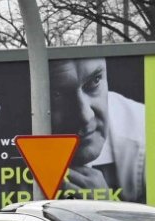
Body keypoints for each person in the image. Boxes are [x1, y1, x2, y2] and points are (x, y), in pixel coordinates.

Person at [48, 58, 146, 203]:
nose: (85, 116)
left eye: (94, 81)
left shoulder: (143, 132)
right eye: (57, 95)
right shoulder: (3, 134)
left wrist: (105, 211)